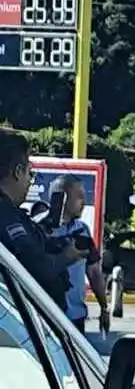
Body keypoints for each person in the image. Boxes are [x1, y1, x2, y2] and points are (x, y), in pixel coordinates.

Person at [0, 134, 83, 312]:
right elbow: (36, 269)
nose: (31, 181)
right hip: (23, 323)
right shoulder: (7, 217)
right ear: (17, 172)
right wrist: (66, 257)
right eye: (30, 173)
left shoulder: (12, 214)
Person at [48, 175, 109, 334]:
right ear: (62, 197)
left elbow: (94, 272)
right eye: (79, 196)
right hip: (46, 315)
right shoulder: (40, 229)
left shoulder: (82, 231)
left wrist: (104, 308)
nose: (83, 202)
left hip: (76, 318)